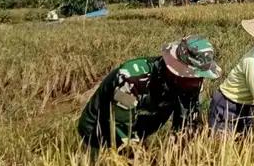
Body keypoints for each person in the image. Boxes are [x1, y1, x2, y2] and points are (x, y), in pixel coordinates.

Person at [78, 35, 221, 149]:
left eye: (200, 77)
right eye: (192, 77)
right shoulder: (131, 79)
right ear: (176, 72)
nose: (197, 82)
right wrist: (140, 159)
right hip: (100, 131)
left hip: (140, 128)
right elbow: (121, 127)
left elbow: (187, 127)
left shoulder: (191, 86)